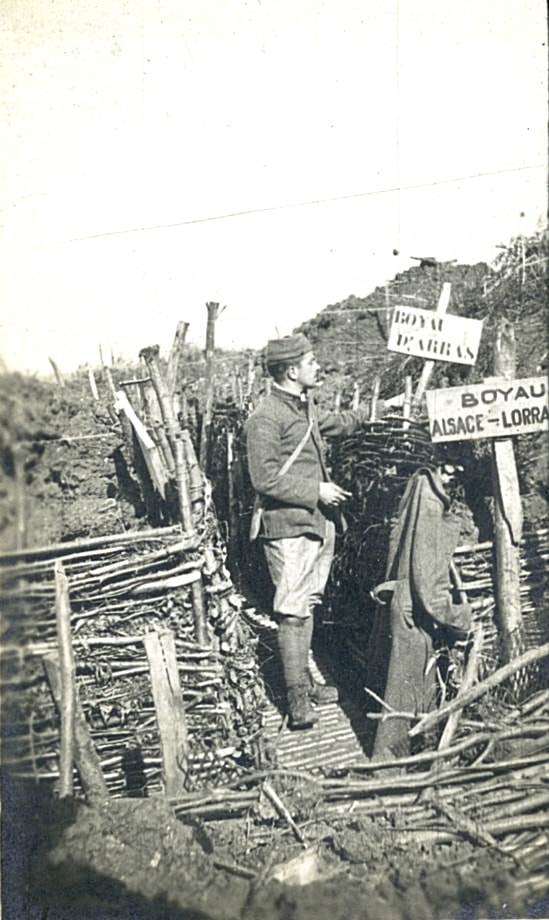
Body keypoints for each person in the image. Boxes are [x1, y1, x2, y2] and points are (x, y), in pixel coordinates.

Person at [244, 333, 375, 730]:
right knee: (292, 610)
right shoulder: (265, 418)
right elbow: (263, 479)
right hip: (288, 527)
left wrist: (380, 409)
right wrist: (315, 490)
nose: (318, 367)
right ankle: (296, 698)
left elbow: (338, 424)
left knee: (307, 605)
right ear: (290, 370)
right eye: (311, 362)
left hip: (316, 524)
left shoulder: (304, 409)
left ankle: (306, 681)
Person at [368, 460, 473, 761]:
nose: (453, 477)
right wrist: (460, 617)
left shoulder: (419, 487)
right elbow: (427, 581)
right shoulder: (428, 500)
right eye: (449, 468)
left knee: (410, 696)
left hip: (406, 605)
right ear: (437, 464)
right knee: (403, 701)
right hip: (415, 613)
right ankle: (389, 772)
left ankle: (408, 760)